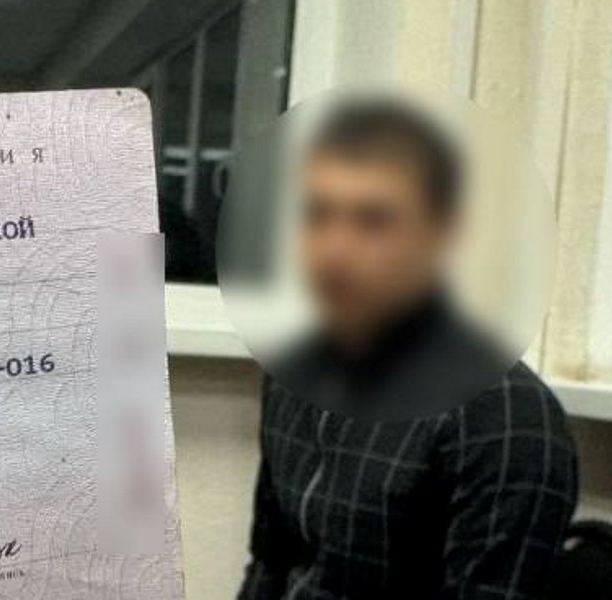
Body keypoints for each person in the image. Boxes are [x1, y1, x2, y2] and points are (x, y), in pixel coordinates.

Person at [237, 99, 578, 600]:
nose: (334, 250)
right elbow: (270, 564)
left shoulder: (505, 420)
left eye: (374, 220)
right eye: (317, 215)